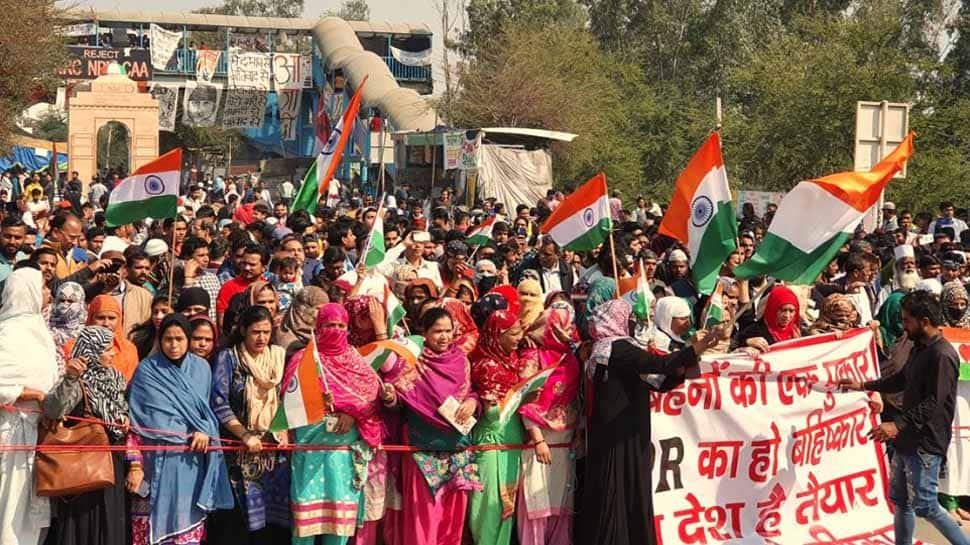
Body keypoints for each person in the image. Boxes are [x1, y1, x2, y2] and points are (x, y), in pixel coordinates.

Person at [578, 298, 719, 545]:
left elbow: (656, 380)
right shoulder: (618, 348)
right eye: (629, 316)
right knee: (622, 492)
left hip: (618, 432)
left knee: (622, 490)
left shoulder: (604, 348)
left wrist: (684, 365)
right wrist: (700, 347)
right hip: (622, 433)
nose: (633, 321)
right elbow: (660, 365)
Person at [840, 291, 970, 545]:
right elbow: (901, 379)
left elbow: (933, 402)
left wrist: (896, 425)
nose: (903, 325)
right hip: (906, 439)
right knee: (901, 501)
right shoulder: (918, 348)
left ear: (924, 321)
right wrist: (863, 385)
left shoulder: (942, 355)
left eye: (907, 320)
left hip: (925, 443)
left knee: (926, 506)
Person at [126, 313, 235, 545]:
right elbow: (134, 423)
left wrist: (204, 431)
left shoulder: (202, 369)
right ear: (159, 339)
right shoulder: (146, 371)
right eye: (168, 339)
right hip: (152, 463)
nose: (174, 345)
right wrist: (135, 466)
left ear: (188, 339)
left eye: (180, 339)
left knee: (186, 533)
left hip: (189, 465)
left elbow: (204, 415)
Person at [383, 307, 482, 545]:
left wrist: (472, 402)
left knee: (453, 517)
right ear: (424, 333)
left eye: (448, 331)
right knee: (424, 517)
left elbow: (471, 393)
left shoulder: (461, 361)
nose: (444, 337)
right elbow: (400, 402)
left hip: (457, 448)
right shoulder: (411, 362)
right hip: (422, 448)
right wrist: (389, 398)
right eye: (437, 331)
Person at [285, 303, 382, 543]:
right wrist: (317, 401)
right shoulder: (303, 359)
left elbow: (371, 400)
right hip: (310, 453)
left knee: (338, 529)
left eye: (341, 326)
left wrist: (352, 415)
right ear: (318, 328)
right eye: (329, 325)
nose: (335, 330)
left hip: (343, 456)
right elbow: (289, 401)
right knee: (305, 528)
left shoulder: (357, 361)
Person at [208, 305, 290, 542]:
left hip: (274, 452)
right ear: (244, 330)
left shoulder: (278, 357)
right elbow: (219, 402)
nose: (261, 338)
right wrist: (244, 435)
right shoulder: (229, 358)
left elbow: (287, 399)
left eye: (266, 332)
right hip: (239, 451)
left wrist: (284, 432)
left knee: (273, 525)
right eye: (256, 332)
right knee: (240, 525)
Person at [42, 326, 129, 545]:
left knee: (110, 524)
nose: (113, 353)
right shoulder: (77, 382)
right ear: (91, 352)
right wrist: (70, 378)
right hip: (84, 467)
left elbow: (122, 408)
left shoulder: (116, 379)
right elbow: (53, 410)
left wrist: (124, 419)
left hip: (113, 464)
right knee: (83, 527)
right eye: (107, 349)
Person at [0, 268, 59, 545]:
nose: (49, 293)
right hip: (10, 432)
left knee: (27, 513)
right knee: (8, 507)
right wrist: (30, 393)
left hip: (36, 430)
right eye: (44, 287)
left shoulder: (38, 328)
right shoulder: (8, 332)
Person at [468, 309, 536, 545]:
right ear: (497, 335)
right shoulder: (486, 365)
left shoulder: (512, 361)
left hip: (512, 440)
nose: (519, 338)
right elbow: (493, 415)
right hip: (491, 442)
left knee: (507, 505)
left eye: (520, 332)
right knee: (488, 506)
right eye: (514, 333)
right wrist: (521, 398)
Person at [516, 302, 579, 545]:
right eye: (563, 325)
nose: (568, 329)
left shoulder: (570, 356)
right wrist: (538, 439)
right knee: (537, 499)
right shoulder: (532, 356)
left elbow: (576, 396)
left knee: (560, 500)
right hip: (538, 438)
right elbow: (525, 398)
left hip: (565, 439)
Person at [733, 284, 802, 351]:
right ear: (773, 309)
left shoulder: (797, 332)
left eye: (791, 311)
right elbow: (734, 345)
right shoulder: (755, 331)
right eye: (783, 310)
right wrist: (747, 342)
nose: (787, 316)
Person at [274, 286, 329, 359]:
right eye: (318, 309)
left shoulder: (321, 333)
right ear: (302, 308)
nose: (322, 314)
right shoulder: (284, 336)